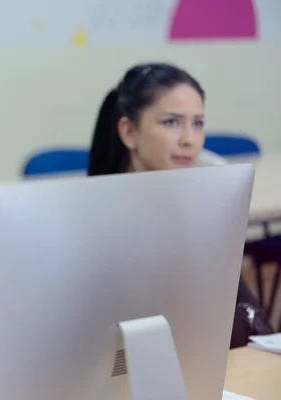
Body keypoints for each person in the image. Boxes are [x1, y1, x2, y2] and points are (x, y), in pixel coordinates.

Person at [87, 62, 273, 348]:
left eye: (197, 123)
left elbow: (253, 325)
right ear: (128, 132)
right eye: (171, 122)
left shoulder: (198, 215)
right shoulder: (97, 225)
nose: (189, 140)